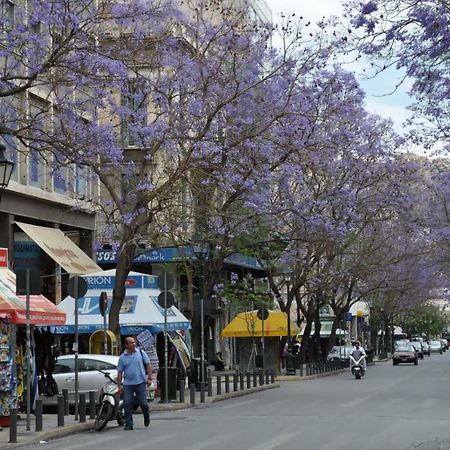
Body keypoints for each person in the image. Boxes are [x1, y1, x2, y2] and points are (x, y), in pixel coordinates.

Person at [117, 337, 152, 430]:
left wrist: (149, 378)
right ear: (126, 345)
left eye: (134, 342)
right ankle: (129, 424)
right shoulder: (122, 358)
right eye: (131, 343)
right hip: (128, 384)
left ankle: (146, 416)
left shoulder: (141, 353)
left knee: (143, 403)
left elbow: (148, 365)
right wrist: (119, 386)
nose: (133, 344)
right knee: (127, 404)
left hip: (140, 382)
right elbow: (119, 372)